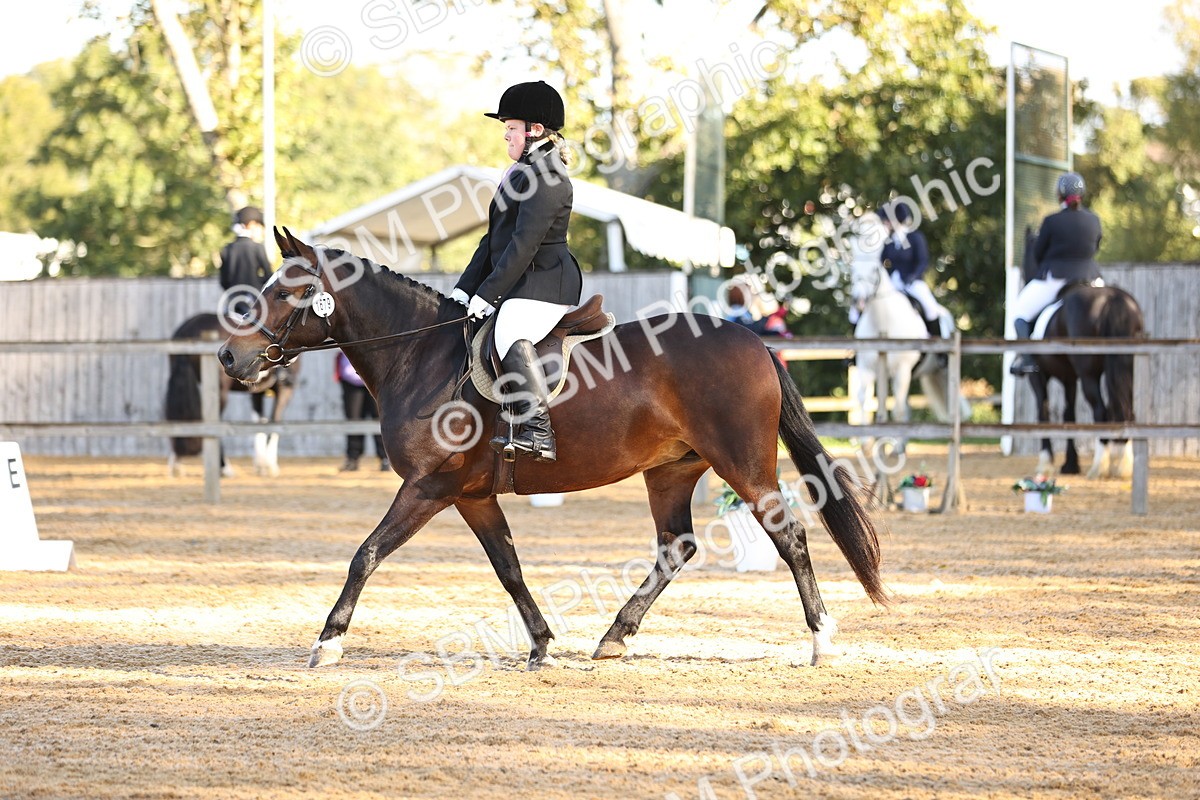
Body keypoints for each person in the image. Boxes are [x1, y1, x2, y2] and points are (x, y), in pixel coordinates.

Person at [450, 81, 582, 463]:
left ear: (535, 130)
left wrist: (488, 297)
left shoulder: (549, 176)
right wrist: (464, 290)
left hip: (546, 283)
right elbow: (493, 241)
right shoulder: (521, 171)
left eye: (510, 128)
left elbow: (523, 246)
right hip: (524, 280)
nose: (505, 135)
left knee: (508, 330)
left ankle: (538, 431)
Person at [1009, 172, 1103, 375]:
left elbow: (1039, 253)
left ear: (1059, 196)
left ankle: (1026, 359)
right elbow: (1095, 248)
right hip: (1092, 280)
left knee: (1019, 313)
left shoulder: (1051, 221)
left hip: (1057, 279)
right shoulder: (1094, 220)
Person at [880, 201, 950, 375]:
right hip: (892, 285)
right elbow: (881, 263)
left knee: (930, 307)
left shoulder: (914, 237)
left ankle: (939, 348)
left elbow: (922, 261)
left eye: (887, 220)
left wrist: (912, 277)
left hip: (912, 282)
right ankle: (858, 352)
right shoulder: (888, 242)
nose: (885, 224)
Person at [335, 351, 388, 472]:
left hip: (374, 377)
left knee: (378, 418)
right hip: (350, 379)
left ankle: (385, 458)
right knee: (353, 419)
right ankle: (352, 458)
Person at [219, 206, 272, 318]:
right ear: (251, 224)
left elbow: (224, 281)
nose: (260, 231)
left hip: (234, 303)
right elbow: (269, 276)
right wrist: (257, 282)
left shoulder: (227, 249)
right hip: (255, 302)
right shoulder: (257, 248)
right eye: (258, 226)